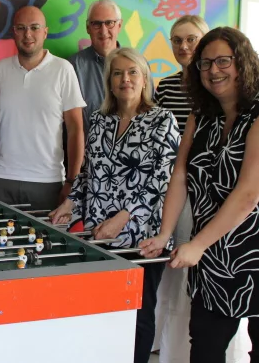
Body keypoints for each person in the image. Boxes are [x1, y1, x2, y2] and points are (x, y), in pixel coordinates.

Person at [141, 27, 259, 363]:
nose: (213, 71)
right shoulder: (202, 113)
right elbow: (181, 173)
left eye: (222, 61)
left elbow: (248, 193)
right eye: (204, 64)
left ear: (243, 62)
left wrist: (197, 244)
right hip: (219, 248)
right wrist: (164, 234)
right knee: (204, 344)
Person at [48, 47, 179, 363]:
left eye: (133, 71)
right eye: (118, 73)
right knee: (103, 312)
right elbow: (89, 172)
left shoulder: (162, 120)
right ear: (109, 80)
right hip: (100, 237)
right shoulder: (101, 119)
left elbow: (162, 182)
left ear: (144, 78)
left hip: (142, 240)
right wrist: (71, 203)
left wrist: (124, 216)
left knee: (137, 315)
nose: (125, 79)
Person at [151, 15, 249, 363]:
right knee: (178, 279)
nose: (184, 47)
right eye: (177, 40)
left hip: (224, 202)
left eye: (191, 39)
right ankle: (172, 347)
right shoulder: (168, 88)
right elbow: (175, 157)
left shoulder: (246, 100)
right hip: (179, 188)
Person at [0, 6, 85, 210]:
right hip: (0, 178)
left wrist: (72, 182)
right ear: (14, 32)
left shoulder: (63, 69)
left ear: (45, 32)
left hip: (48, 182)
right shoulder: (0, 69)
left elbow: (76, 130)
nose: (27, 34)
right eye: (21, 28)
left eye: (34, 27)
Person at [68, 0, 122, 134]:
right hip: (89, 153)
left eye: (109, 23)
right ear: (88, 28)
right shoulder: (72, 67)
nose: (103, 31)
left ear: (119, 26)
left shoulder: (138, 65)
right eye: (96, 24)